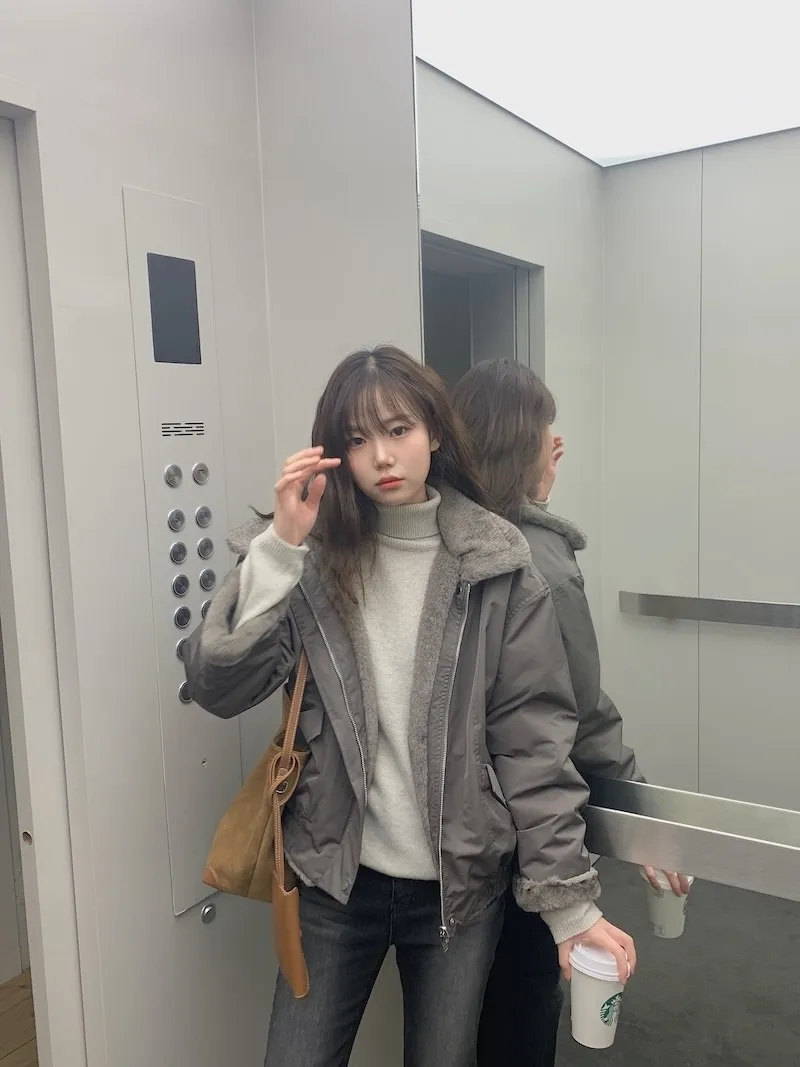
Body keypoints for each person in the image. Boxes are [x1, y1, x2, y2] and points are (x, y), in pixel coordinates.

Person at [183, 346, 635, 1067]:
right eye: (358, 439)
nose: (382, 456)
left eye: (398, 430)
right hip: (335, 878)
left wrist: (570, 907)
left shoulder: (496, 563)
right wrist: (279, 548)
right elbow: (219, 686)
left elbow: (533, 746)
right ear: (336, 453)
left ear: (435, 432)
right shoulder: (314, 558)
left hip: (458, 891)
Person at [452, 359, 689, 1067]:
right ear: (523, 444)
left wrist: (533, 489)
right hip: (525, 837)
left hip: (448, 837)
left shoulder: (441, 539)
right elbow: (578, 715)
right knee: (519, 1007)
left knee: (459, 1013)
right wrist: (643, 818)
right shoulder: (541, 563)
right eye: (545, 434)